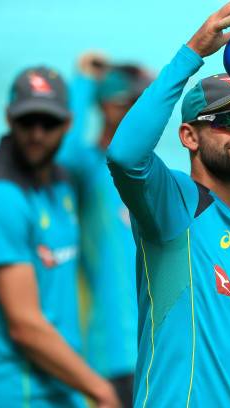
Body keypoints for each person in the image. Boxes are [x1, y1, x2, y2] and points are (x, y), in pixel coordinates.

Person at [106, 1, 230, 406]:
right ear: (190, 136)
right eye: (228, 121)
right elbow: (124, 154)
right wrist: (192, 52)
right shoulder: (176, 203)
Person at [0, 66, 119, 408]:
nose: (37, 133)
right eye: (27, 121)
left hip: (61, 387)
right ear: (8, 117)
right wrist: (101, 390)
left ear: (68, 123)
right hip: (8, 393)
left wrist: (89, 79)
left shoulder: (61, 182)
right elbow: (25, 325)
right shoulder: (0, 197)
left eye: (49, 122)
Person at [57, 55, 152, 407]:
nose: (141, 113)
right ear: (108, 107)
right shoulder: (88, 167)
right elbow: (61, 151)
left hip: (159, 346)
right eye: (132, 103)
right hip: (115, 351)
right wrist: (83, 82)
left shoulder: (151, 175)